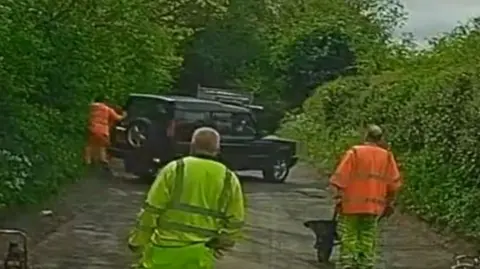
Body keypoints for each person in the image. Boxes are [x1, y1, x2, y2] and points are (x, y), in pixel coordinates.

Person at [128, 127, 245, 269]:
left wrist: (137, 241)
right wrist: (221, 243)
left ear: (192, 145)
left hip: (163, 250)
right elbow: (236, 220)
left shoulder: (175, 169)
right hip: (199, 255)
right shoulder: (228, 178)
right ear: (218, 149)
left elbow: (151, 210)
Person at [329, 124, 402, 269]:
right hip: (374, 205)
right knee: (368, 235)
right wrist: (390, 201)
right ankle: (365, 263)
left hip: (351, 204)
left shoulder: (355, 153)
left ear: (365, 136)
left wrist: (338, 196)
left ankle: (348, 263)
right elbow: (394, 183)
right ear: (380, 139)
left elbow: (340, 177)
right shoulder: (387, 156)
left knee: (349, 234)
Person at [84, 94, 125, 167]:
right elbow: (118, 118)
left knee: (90, 145)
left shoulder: (91, 107)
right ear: (104, 101)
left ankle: (88, 161)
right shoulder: (107, 109)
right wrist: (124, 115)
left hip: (92, 128)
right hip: (103, 130)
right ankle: (102, 159)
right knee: (102, 145)